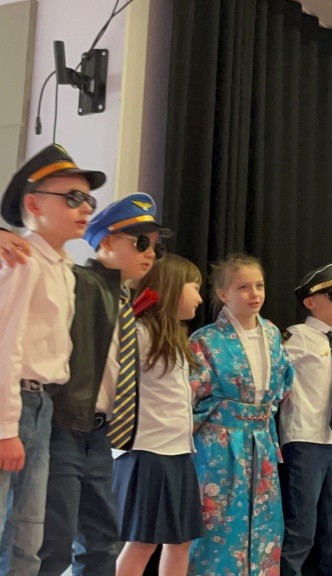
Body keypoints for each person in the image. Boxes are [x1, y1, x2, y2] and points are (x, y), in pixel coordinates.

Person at [39, 192, 174, 576]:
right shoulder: (77, 283)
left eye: (156, 246)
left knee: (102, 541)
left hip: (99, 433)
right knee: (53, 542)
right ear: (108, 242)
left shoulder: (122, 299)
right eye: (142, 242)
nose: (151, 254)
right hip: (63, 427)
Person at [0, 144, 103, 575]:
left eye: (89, 200)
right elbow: (5, 345)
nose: (85, 208)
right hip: (14, 402)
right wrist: (6, 428)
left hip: (40, 404)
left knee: (28, 536)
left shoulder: (61, 267)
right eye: (73, 198)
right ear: (33, 205)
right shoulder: (20, 260)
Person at [189, 254, 294, 574]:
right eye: (243, 287)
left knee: (265, 522)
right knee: (218, 521)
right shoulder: (205, 340)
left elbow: (283, 383)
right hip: (220, 443)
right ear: (224, 294)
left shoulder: (272, 334)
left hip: (261, 440)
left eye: (259, 286)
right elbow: (191, 394)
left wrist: (262, 411)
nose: (254, 294)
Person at [113, 254, 205, 576]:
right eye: (194, 288)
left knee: (180, 542)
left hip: (178, 452)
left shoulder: (177, 340)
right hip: (148, 452)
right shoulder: (139, 333)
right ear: (172, 288)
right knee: (142, 543)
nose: (199, 298)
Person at [279, 263, 332, 576]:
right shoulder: (297, 336)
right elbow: (274, 373)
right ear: (310, 302)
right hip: (305, 438)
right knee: (301, 524)